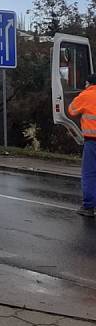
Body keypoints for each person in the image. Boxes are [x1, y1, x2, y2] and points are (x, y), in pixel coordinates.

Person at [68, 72, 96, 217]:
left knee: (90, 174)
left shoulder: (86, 95)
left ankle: (89, 207)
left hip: (92, 142)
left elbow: (71, 111)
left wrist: (82, 94)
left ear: (88, 83)